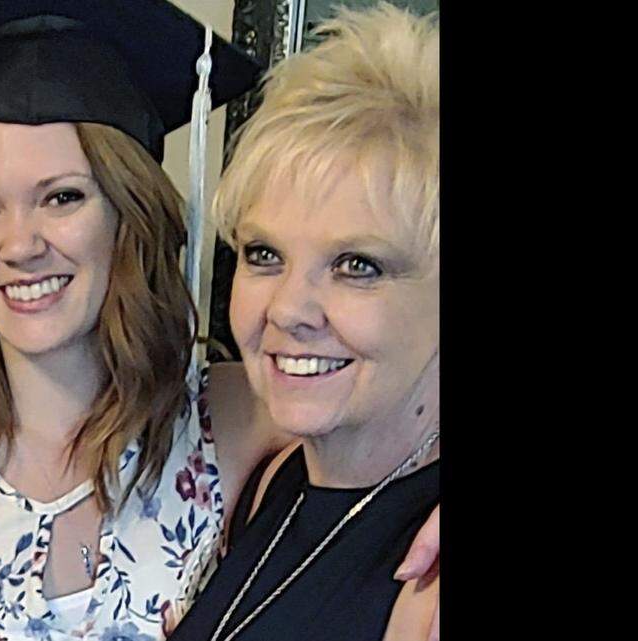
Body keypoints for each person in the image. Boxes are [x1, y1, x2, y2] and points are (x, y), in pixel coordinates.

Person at [0, 2, 440, 640]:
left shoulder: (244, 419)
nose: (19, 245)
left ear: (129, 211)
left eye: (63, 196)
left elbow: (398, 424)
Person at [166, 4, 441, 640]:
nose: (288, 308)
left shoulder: (428, 580)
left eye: (357, 265)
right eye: (264, 255)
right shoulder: (275, 481)